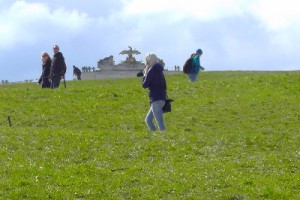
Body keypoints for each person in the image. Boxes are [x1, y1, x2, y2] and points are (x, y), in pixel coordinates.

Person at [142, 53, 167, 131]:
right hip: (161, 98)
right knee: (148, 120)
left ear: (148, 61)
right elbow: (165, 84)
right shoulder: (159, 70)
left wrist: (144, 75)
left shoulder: (152, 70)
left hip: (156, 99)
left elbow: (145, 85)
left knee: (160, 123)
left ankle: (164, 138)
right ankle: (155, 136)